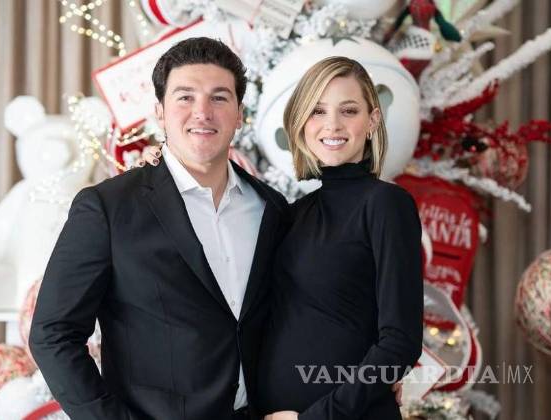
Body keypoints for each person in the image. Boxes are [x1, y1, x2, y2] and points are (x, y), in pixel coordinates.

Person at [142, 56, 422, 420]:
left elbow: (401, 343)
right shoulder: (289, 213)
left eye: (348, 110)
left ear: (372, 120)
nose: (332, 124)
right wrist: (165, 166)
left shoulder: (385, 204)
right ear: (301, 122)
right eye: (318, 111)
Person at [29, 37, 290, 420]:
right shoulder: (107, 208)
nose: (202, 112)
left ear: (239, 114)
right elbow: (52, 334)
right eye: (185, 97)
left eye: (219, 98)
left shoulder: (271, 208)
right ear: (160, 112)